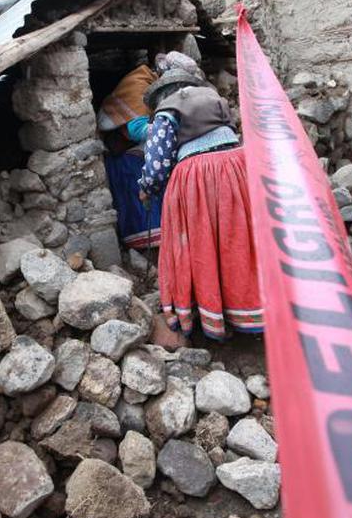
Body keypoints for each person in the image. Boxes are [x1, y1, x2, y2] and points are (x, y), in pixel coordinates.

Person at [138, 64, 264, 341]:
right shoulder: (214, 99)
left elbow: (158, 163)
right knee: (239, 238)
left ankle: (210, 309)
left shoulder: (167, 112)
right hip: (237, 165)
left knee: (202, 243)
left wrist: (147, 187)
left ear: (161, 93)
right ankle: (253, 305)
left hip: (198, 176)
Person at [98, 64, 164, 249]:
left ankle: (154, 234)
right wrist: (166, 129)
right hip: (123, 153)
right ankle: (143, 239)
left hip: (135, 151)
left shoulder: (150, 85)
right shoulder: (138, 86)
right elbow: (135, 130)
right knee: (134, 194)